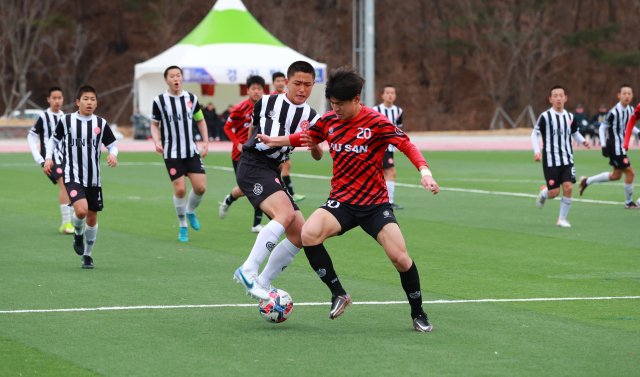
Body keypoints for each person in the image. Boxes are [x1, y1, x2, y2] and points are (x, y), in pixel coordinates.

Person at [257, 67, 438, 332]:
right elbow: (307, 137)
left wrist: (425, 172)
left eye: (340, 104)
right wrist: (276, 140)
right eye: (332, 104)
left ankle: (418, 312)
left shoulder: (376, 122)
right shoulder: (329, 120)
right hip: (342, 201)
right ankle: (338, 293)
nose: (335, 109)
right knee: (309, 233)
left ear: (356, 99)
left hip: (375, 204)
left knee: (400, 258)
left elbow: (406, 145)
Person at [232, 61, 323, 301]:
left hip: (273, 170)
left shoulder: (312, 116)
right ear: (286, 83)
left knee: (300, 233)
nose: (302, 89)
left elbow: (317, 153)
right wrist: (296, 139)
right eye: (297, 83)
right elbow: (267, 137)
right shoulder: (268, 102)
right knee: (285, 214)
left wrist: (314, 144)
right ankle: (248, 270)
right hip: (254, 164)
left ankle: (263, 281)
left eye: (308, 84)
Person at [43, 86, 118, 269]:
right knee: (82, 211)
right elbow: (53, 141)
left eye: (92, 99)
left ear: (96, 102)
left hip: (94, 179)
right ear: (78, 102)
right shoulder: (66, 120)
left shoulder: (100, 123)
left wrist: (113, 154)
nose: (89, 102)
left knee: (92, 219)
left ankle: (87, 255)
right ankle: (78, 232)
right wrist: (48, 158)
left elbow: (113, 144)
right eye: (86, 99)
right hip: (72, 175)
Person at [150, 66, 209, 242]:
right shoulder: (159, 100)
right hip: (171, 152)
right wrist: (156, 141)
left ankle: (190, 211)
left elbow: (200, 120)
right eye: (172, 76)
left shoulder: (192, 98)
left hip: (191, 151)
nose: (176, 79)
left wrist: (205, 141)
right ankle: (183, 225)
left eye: (179, 75)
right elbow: (154, 124)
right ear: (166, 80)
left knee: (201, 187)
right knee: (181, 189)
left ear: (182, 78)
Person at [533, 86, 590, 227]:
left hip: (567, 158)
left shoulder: (570, 117)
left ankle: (562, 219)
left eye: (561, 95)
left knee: (569, 187)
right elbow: (534, 133)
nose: (558, 98)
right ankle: (544, 193)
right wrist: (536, 150)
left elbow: (575, 133)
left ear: (566, 98)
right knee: (554, 192)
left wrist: (582, 140)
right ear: (550, 99)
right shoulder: (545, 116)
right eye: (555, 96)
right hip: (551, 159)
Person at [218, 75, 267, 233]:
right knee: (246, 189)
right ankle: (228, 200)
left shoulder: (266, 107)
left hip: (259, 153)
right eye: (253, 88)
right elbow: (227, 127)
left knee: (260, 185)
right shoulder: (239, 108)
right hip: (240, 155)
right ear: (247, 90)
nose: (256, 91)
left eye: (259, 88)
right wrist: (238, 144)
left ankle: (256, 224)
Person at [579, 85, 638, 208]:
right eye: (624, 93)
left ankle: (586, 181)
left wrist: (638, 132)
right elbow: (602, 127)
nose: (627, 96)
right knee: (630, 173)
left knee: (616, 176)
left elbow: (628, 125)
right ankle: (628, 203)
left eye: (629, 94)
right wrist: (603, 145)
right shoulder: (614, 112)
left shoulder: (630, 109)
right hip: (613, 146)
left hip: (621, 147)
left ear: (632, 96)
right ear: (619, 95)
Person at [27, 87, 74, 234]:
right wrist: (40, 159)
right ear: (48, 99)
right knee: (64, 185)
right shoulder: (43, 117)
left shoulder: (65, 117)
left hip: (66, 158)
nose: (57, 100)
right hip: (51, 160)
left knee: (72, 186)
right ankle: (67, 223)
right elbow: (31, 137)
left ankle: (70, 221)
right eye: (54, 98)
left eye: (60, 97)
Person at [270, 71, 304, 202]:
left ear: (285, 82)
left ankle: (287, 193)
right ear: (273, 83)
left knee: (284, 164)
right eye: (276, 81)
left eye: (281, 80)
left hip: (285, 136)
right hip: (274, 137)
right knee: (282, 164)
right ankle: (288, 193)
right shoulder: (270, 98)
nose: (279, 83)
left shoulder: (288, 97)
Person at [373, 85, 404, 209]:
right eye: (387, 93)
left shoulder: (398, 111)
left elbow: (398, 128)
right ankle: (388, 202)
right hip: (379, 147)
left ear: (395, 96)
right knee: (391, 172)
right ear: (382, 95)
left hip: (390, 148)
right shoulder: (376, 110)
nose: (390, 95)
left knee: (383, 174)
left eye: (392, 93)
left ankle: (382, 200)